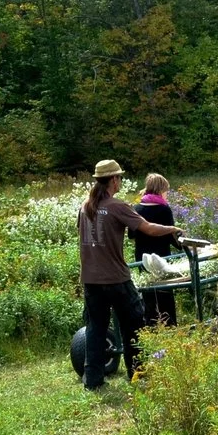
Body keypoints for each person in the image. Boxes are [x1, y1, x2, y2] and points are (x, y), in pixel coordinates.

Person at [77, 159, 182, 389]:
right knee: (133, 322)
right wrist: (173, 229)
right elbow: (148, 228)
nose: (121, 181)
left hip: (90, 278)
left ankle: (93, 381)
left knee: (96, 328)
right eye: (120, 178)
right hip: (115, 277)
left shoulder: (85, 207)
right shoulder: (117, 206)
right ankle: (137, 372)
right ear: (114, 180)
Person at [130, 172, 180, 327]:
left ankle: (151, 325)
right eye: (166, 190)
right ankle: (169, 325)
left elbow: (131, 235)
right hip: (161, 256)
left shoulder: (136, 208)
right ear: (160, 190)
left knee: (148, 293)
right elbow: (172, 237)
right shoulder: (164, 210)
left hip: (142, 257)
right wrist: (185, 248)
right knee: (166, 292)